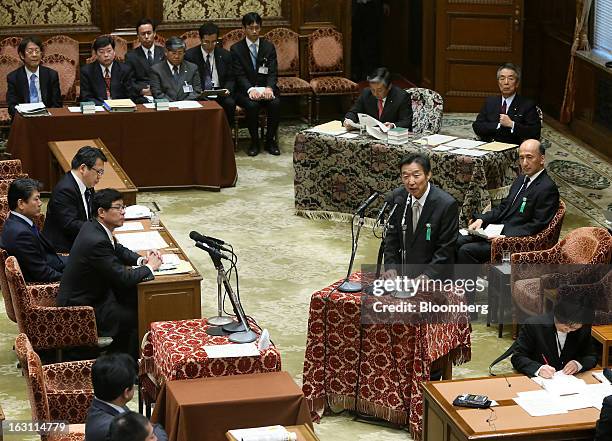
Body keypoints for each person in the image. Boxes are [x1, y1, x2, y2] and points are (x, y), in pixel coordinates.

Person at [57, 189, 162, 360]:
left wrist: (141, 261)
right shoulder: (96, 240)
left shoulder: (94, 227)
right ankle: (125, 364)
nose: (123, 212)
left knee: (135, 300)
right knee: (139, 316)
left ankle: (118, 353)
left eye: (124, 207)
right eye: (118, 207)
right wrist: (150, 267)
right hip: (83, 305)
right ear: (101, 212)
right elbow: (123, 278)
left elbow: (116, 248)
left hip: (93, 293)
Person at [456, 139, 559, 264]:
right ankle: (446, 279)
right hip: (497, 230)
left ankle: (470, 283)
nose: (524, 163)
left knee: (466, 250)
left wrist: (505, 237)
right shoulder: (522, 179)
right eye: (521, 158)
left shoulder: (547, 188)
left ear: (542, 159)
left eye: (529, 157)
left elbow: (536, 225)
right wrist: (482, 219)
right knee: (456, 239)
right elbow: (504, 206)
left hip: (514, 241)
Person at [383, 154, 458, 280]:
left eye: (416, 176)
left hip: (435, 275)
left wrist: (428, 275)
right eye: (405, 176)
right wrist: (391, 267)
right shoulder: (398, 198)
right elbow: (391, 239)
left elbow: (446, 248)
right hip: (404, 273)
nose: (411, 182)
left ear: (428, 175)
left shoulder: (446, 205)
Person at [231, 12, 281, 156]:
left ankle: (270, 141)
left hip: (266, 88)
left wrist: (269, 88)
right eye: (251, 28)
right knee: (252, 106)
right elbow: (238, 74)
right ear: (244, 28)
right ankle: (254, 142)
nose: (254, 31)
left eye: (257, 28)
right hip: (245, 90)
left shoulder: (268, 47)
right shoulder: (236, 49)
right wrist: (250, 89)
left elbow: (272, 71)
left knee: (275, 104)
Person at [85, 353, 167, 441]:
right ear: (126, 392)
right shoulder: (111, 430)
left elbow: (149, 427)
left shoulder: (110, 401)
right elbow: (155, 430)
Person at [43, 146, 108, 253]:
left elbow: (92, 212)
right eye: (98, 172)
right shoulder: (64, 190)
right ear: (83, 168)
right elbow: (71, 225)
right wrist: (101, 229)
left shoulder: (87, 186)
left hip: (81, 242)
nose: (100, 177)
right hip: (63, 251)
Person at [0, 178, 66, 283]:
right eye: (36, 199)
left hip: (53, 262)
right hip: (48, 278)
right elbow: (42, 273)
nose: (40, 203)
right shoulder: (21, 234)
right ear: (21, 203)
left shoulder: (17, 222)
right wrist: (71, 278)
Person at [511, 299, 596, 378]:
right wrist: (539, 369)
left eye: (574, 328)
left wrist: (578, 364)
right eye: (566, 325)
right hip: (537, 381)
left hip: (569, 381)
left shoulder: (582, 329)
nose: (569, 330)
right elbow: (518, 357)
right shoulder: (534, 325)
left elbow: (591, 356)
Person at [472, 63, 541, 144]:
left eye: (510, 79)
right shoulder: (490, 102)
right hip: (488, 146)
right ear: (498, 83)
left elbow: (535, 132)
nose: (506, 82)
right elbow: (477, 126)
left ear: (517, 83)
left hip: (513, 149)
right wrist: (497, 126)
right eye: (502, 78)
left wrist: (512, 124)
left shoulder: (527, 104)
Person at [184, 22, 236, 125]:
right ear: (200, 39)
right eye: (206, 42)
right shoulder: (190, 55)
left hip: (220, 92)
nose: (210, 45)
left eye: (214, 42)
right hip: (201, 93)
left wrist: (228, 89)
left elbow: (231, 78)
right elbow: (187, 78)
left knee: (230, 103)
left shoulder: (225, 55)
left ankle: (226, 135)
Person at [6, 35, 62, 118]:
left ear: (41, 54)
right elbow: (12, 107)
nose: (34, 55)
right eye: (30, 51)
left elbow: (57, 104)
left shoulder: (51, 75)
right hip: (24, 120)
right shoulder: (13, 77)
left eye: (37, 51)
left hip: (47, 119)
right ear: (22, 55)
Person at [344, 67, 412, 130]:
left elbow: (406, 122)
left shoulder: (402, 97)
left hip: (392, 137)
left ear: (389, 87)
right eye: (373, 89)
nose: (375, 93)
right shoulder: (366, 93)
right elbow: (353, 112)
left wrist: (392, 125)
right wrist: (349, 120)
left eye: (379, 90)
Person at [80, 35, 142, 105]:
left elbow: (131, 95)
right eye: (101, 52)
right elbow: (85, 97)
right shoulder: (87, 71)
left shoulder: (125, 70)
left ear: (114, 52)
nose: (106, 55)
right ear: (96, 54)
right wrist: (105, 105)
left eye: (109, 51)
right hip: (98, 110)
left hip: (120, 110)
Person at [149, 36, 201, 101]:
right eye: (173, 53)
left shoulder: (192, 68)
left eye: (180, 53)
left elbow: (197, 91)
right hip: (167, 107)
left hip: (188, 107)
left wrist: (184, 104)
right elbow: (157, 93)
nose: (176, 56)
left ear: (184, 53)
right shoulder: (156, 70)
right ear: (166, 52)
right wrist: (174, 105)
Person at [124, 18, 165, 98]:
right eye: (143, 34)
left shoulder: (164, 53)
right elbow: (129, 81)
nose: (146, 37)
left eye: (149, 33)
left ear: (154, 34)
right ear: (138, 36)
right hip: (142, 96)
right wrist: (141, 91)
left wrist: (157, 89)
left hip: (163, 93)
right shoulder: (131, 56)